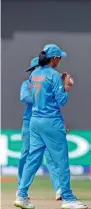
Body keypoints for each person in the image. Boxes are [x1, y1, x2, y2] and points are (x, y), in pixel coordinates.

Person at [14, 44, 88, 209]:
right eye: (59, 58)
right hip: (51, 121)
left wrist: (58, 83)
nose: (60, 60)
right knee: (61, 160)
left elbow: (42, 94)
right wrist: (67, 86)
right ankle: (68, 198)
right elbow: (61, 100)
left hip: (34, 121)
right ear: (54, 58)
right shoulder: (54, 75)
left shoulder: (34, 75)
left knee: (32, 159)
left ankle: (21, 195)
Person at [17, 57, 62, 201]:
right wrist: (43, 97)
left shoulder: (49, 81)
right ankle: (21, 188)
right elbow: (26, 98)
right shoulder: (26, 84)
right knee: (26, 154)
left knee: (50, 156)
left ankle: (59, 188)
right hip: (29, 121)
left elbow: (57, 102)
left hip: (48, 121)